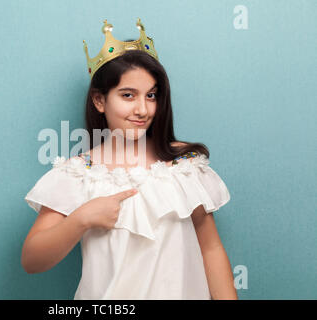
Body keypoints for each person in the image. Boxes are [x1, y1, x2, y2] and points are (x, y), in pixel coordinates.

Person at [22, 18, 238, 300]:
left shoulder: (183, 165)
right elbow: (32, 260)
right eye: (128, 95)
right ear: (100, 101)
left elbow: (210, 250)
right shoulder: (79, 174)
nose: (142, 109)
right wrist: (80, 219)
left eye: (151, 95)